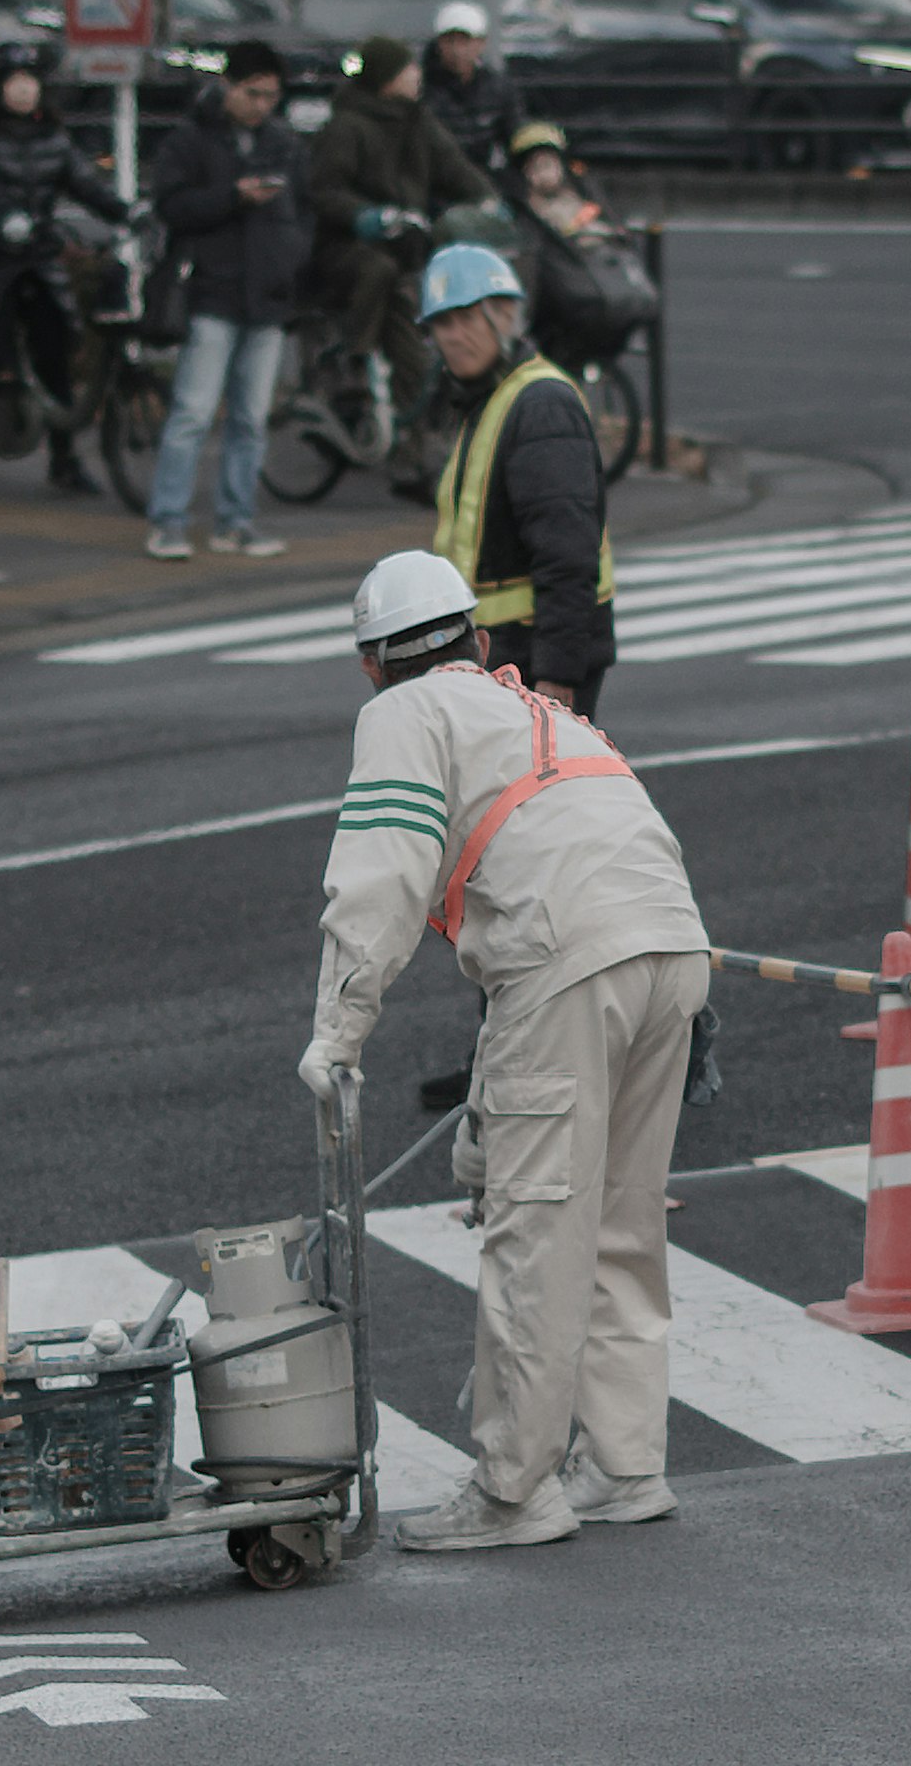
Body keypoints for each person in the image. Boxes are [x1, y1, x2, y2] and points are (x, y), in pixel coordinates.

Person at [298, 549, 709, 1552]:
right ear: (478, 643)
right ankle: (622, 1464)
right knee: (619, 1219)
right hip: (673, 948)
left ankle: (514, 1490)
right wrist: (486, 1116)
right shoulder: (548, 717)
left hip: (567, 963)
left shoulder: (402, 714)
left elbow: (381, 873)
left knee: (536, 1227)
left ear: (367, 666)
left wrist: (337, 1034)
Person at [422, 244, 615, 711]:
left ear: (506, 316)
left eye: (468, 318)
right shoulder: (488, 399)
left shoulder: (540, 405)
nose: (454, 336)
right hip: (499, 656)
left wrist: (557, 673)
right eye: (442, 324)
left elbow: (567, 553)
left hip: (533, 660)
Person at [145, 40, 311, 560]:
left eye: (271, 96)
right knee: (193, 412)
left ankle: (235, 521)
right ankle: (169, 520)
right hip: (212, 290)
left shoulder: (281, 143)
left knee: (250, 419)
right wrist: (233, 197)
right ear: (227, 87)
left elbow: (304, 209)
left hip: (266, 294)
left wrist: (293, 259)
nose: (262, 105)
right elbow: (170, 205)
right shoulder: (191, 140)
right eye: (253, 93)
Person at [311, 33, 494, 482]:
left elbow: (454, 168)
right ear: (386, 78)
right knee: (378, 270)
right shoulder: (346, 126)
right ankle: (353, 362)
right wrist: (363, 216)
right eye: (406, 69)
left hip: (406, 247)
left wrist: (488, 202)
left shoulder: (418, 122)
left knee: (413, 339)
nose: (416, 75)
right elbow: (323, 189)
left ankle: (413, 447)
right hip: (347, 250)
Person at [0, 43, 133, 496]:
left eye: (30, 81)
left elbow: (84, 182)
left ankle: (65, 458)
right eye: (13, 82)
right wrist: (6, 219)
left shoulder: (53, 135)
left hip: (39, 258)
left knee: (54, 354)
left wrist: (125, 211)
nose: (23, 91)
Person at [504, 122, 659, 370]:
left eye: (550, 165)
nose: (545, 174)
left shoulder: (580, 194)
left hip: (596, 274)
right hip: (568, 285)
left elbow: (606, 221)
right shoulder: (529, 211)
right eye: (536, 168)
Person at [423, 0, 525, 176]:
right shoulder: (421, 88)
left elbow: (514, 135)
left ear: (481, 43)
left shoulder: (498, 88)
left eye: (464, 42)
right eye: (450, 41)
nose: (457, 51)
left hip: (482, 177)